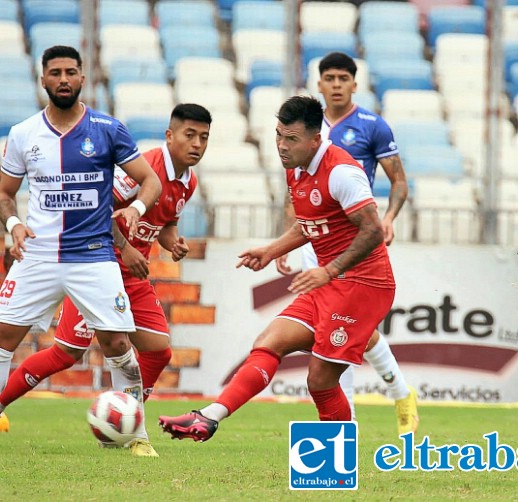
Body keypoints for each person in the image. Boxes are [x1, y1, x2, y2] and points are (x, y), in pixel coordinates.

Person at [159, 95, 396, 441]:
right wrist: (271, 250)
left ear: (316, 139)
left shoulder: (342, 173)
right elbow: (310, 224)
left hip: (363, 286)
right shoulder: (295, 167)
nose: (282, 146)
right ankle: (208, 417)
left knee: (319, 380)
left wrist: (329, 271)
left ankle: (341, 463)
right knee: (269, 343)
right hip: (328, 284)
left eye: (291, 139)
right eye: (278, 136)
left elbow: (373, 229)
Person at [0, 103, 211, 456]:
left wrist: (171, 240)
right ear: (170, 136)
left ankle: (125, 420)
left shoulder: (188, 181)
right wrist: (126, 248)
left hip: (133, 274)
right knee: (66, 352)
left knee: (158, 350)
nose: (197, 144)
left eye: (204, 138)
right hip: (98, 265)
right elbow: (97, 207)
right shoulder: (143, 169)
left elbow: (166, 222)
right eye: (190, 135)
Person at [0, 46, 162, 446]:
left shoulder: (107, 128)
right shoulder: (23, 134)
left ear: (82, 78)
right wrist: (14, 223)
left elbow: (151, 180)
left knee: (118, 344)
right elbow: (4, 193)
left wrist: (136, 210)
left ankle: (136, 437)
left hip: (93, 257)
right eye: (55, 73)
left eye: (71, 72)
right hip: (37, 254)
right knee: (3, 334)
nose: (63, 80)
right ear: (43, 80)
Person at [274, 52, 418, 435]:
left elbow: (400, 182)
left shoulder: (372, 126)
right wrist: (284, 245)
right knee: (339, 329)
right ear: (319, 85)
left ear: (355, 84)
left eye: (343, 78)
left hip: (356, 237)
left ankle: (373, 407)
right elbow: (297, 194)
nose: (336, 84)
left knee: (341, 328)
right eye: (329, 78)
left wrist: (386, 219)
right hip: (313, 238)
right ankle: (382, 401)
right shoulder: (301, 127)